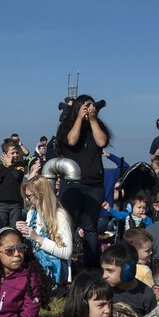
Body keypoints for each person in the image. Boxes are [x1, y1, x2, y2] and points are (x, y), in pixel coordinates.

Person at [56, 95, 111, 267]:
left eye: (90, 105)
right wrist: (79, 117)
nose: (88, 108)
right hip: (71, 184)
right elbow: (71, 140)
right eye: (84, 106)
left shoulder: (97, 125)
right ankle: (65, 265)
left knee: (90, 228)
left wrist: (93, 119)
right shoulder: (66, 125)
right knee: (67, 225)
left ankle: (90, 266)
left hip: (93, 185)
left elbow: (102, 141)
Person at [16, 175, 73, 285]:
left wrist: (37, 238)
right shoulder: (32, 212)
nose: (27, 201)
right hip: (35, 262)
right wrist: (21, 231)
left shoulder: (59, 215)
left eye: (29, 196)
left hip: (55, 269)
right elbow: (31, 245)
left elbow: (67, 253)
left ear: (40, 195)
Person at [100, 243, 156, 317]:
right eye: (103, 270)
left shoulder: (146, 295)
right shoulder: (102, 290)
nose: (104, 276)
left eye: (110, 271)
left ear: (128, 270)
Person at [0, 138, 40, 227]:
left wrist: (10, 165)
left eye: (17, 152)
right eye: (12, 153)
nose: (15, 155)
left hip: (16, 203)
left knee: (15, 227)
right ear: (4, 154)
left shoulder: (20, 166)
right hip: (1, 202)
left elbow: (17, 176)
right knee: (1, 226)